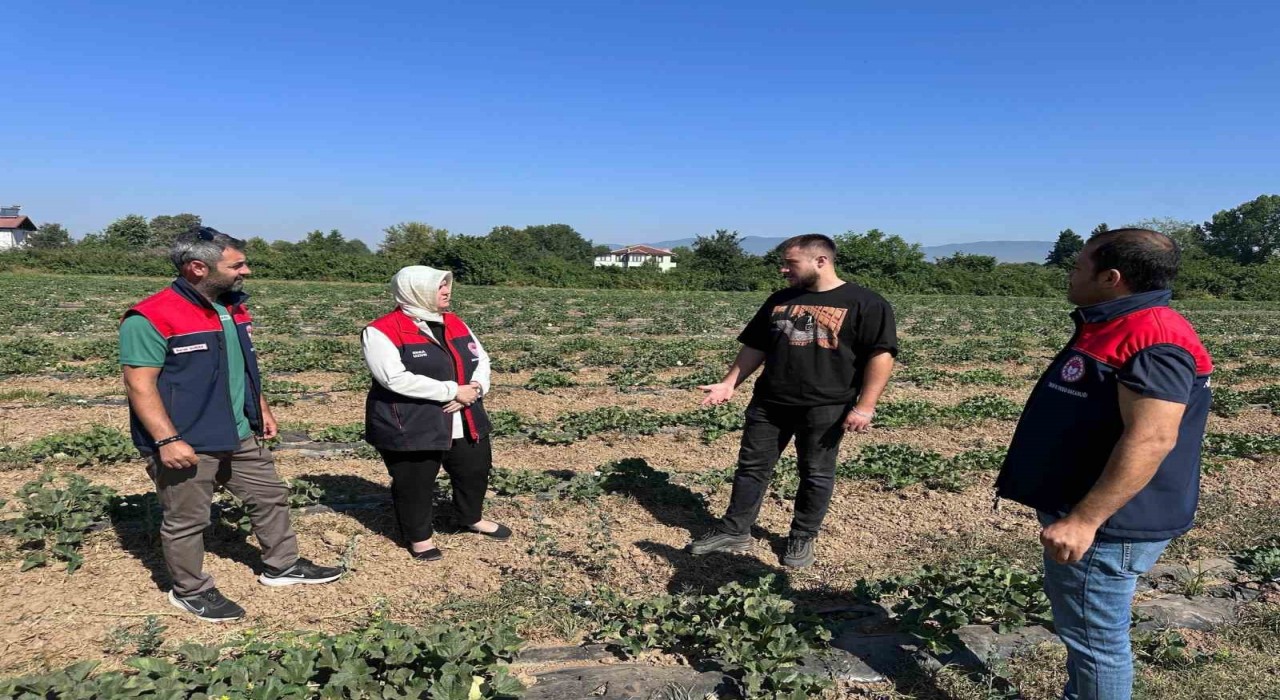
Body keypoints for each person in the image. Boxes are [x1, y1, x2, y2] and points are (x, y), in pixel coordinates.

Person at [995, 229, 1212, 700]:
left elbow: (1152, 437)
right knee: (1089, 636)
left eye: (1077, 265)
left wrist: (1084, 519)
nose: (1069, 273)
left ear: (1111, 277)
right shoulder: (1118, 322)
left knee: (1096, 644)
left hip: (1109, 526)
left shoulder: (1153, 336)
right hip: (1092, 511)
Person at [120, 228, 344, 623]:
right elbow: (139, 384)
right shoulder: (150, 317)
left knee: (270, 496)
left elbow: (240, 367)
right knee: (187, 519)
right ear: (197, 268)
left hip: (238, 430)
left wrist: (261, 408)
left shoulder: (232, 307)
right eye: (237, 265)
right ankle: (191, 590)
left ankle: (283, 565)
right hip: (187, 439)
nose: (247, 271)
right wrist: (167, 439)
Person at [689, 234, 897, 568]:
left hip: (826, 405)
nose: (784, 269)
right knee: (751, 467)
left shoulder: (865, 302)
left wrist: (866, 405)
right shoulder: (780, 299)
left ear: (821, 261)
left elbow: (881, 356)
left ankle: (802, 537)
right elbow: (757, 344)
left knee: (815, 472)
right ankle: (735, 530)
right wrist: (730, 383)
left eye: (791, 263)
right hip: (771, 400)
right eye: (783, 263)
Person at [361, 266, 509, 561]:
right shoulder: (381, 330)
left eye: (446, 285)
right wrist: (452, 391)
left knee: (474, 471)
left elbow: (481, 358)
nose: (447, 291)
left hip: (465, 414)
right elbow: (393, 378)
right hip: (412, 422)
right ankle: (420, 537)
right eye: (439, 286)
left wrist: (477, 388)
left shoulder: (455, 322)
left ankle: (471, 518)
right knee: (415, 481)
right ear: (415, 290)